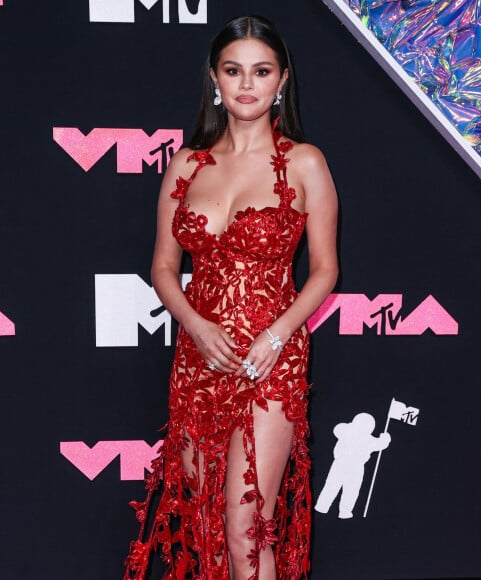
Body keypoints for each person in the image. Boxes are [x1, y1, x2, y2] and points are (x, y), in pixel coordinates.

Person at [124, 15, 338, 580]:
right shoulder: (187, 164)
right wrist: (194, 325)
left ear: (281, 81)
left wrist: (276, 335)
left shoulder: (304, 162)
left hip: (271, 357)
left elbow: (324, 272)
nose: (247, 84)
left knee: (248, 529)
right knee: (204, 524)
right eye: (233, 70)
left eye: (261, 71)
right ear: (215, 80)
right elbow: (164, 268)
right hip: (200, 358)